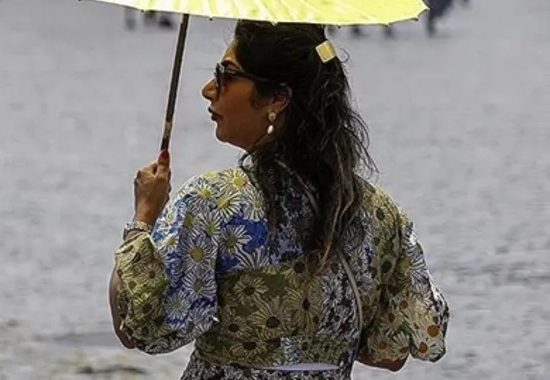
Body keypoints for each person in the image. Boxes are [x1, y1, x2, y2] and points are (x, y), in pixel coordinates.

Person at [109, 22, 449, 378]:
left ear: (277, 98)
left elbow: (137, 326)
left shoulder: (212, 204)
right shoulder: (377, 212)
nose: (209, 90)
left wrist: (144, 217)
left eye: (226, 75)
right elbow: (390, 353)